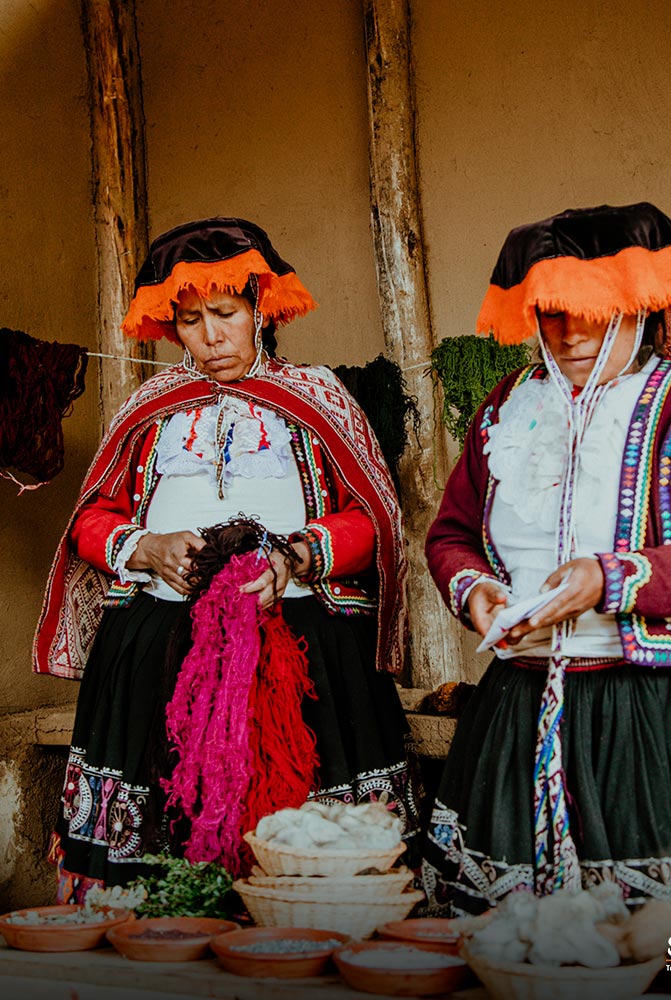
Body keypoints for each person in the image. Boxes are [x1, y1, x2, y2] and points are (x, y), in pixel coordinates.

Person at [424, 202, 671, 916]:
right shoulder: (504, 409)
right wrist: (474, 592)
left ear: (636, 303)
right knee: (521, 943)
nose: (569, 334)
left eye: (591, 310)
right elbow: (450, 535)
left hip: (667, 713)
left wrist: (609, 578)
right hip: (521, 707)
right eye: (552, 313)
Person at [33, 217, 419, 902]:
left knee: (313, 843)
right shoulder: (151, 410)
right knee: (162, 836)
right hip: (159, 647)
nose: (210, 337)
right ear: (170, 326)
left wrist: (296, 558)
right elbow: (91, 518)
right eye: (189, 321)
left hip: (305, 649)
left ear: (259, 310)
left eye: (225, 314)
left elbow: (373, 518)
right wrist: (143, 547)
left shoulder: (319, 398)